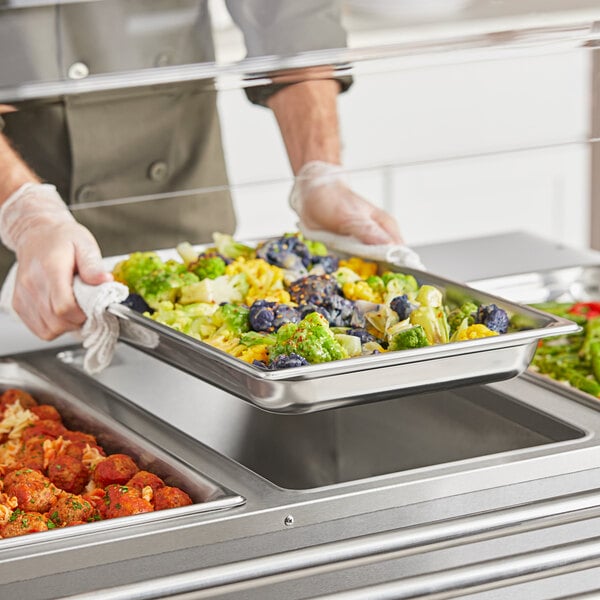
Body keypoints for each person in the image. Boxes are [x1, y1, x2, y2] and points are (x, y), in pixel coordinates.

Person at [0, 0, 401, 341]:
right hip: (13, 199)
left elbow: (289, 13)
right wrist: (25, 213)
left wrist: (320, 174)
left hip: (176, 190)